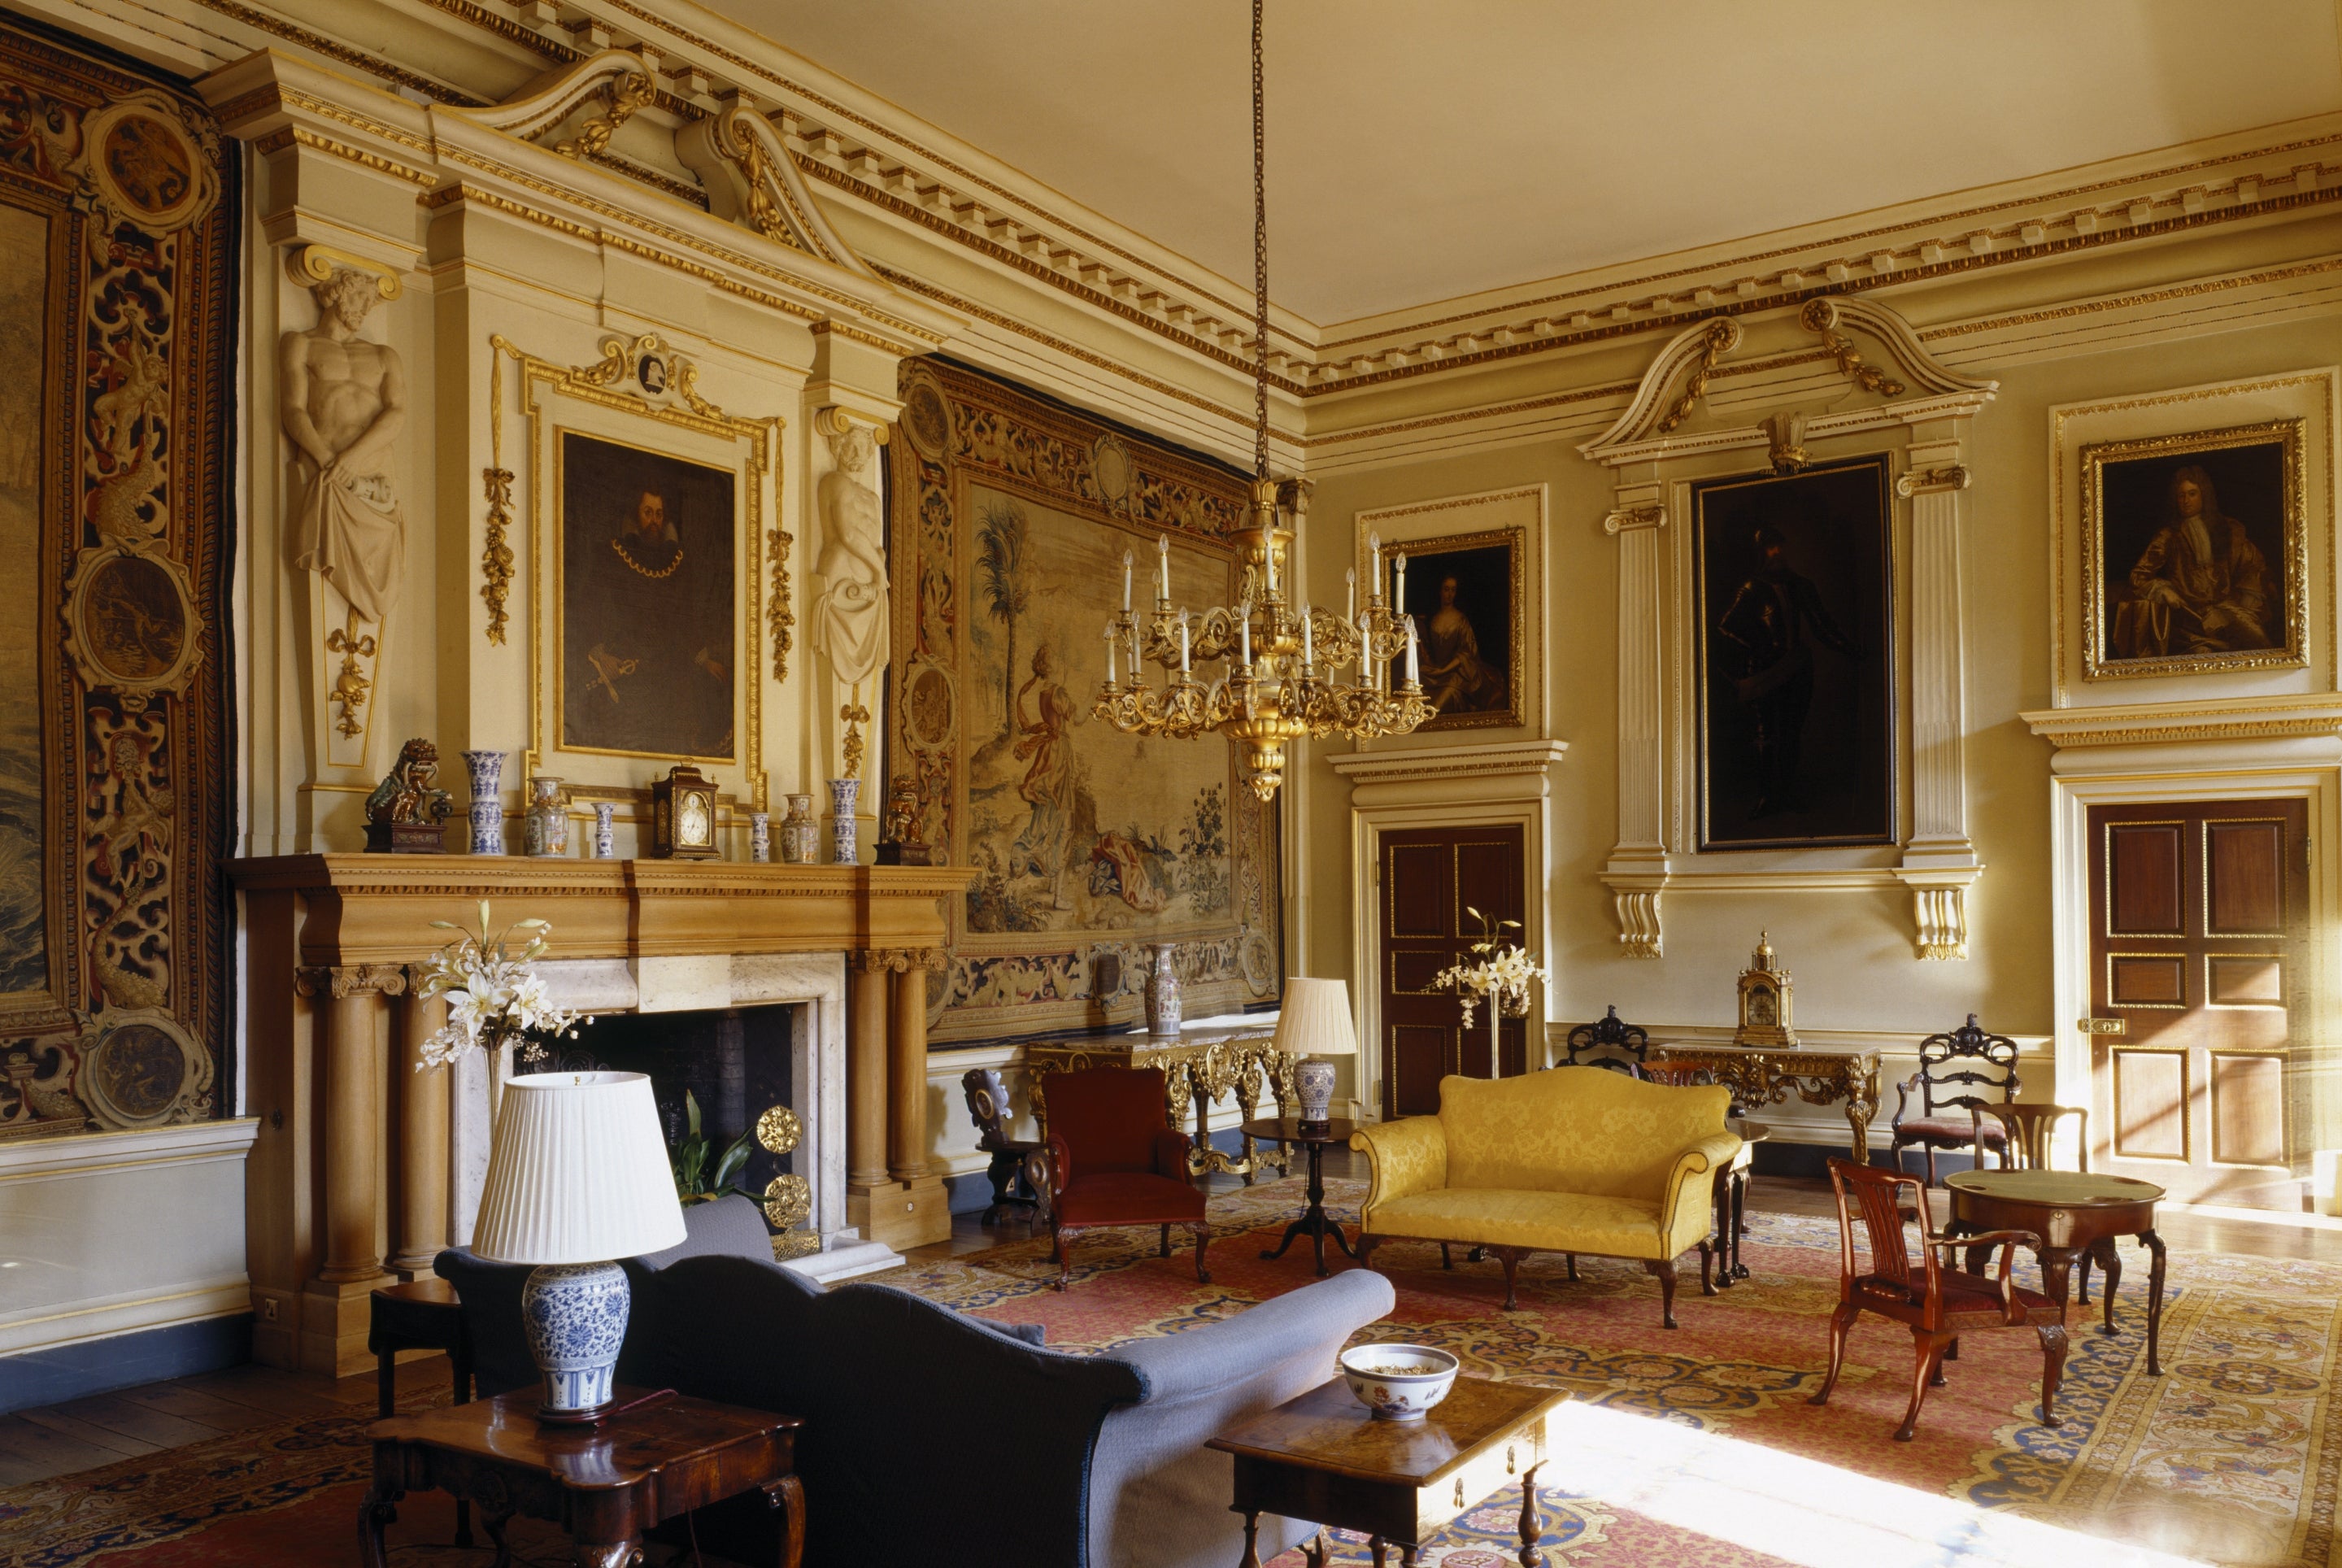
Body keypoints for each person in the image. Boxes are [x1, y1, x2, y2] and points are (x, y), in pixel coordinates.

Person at [564, 486, 733, 757]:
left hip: (671, 661)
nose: (654, 520)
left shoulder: (678, 561)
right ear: (636, 515)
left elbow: (687, 617)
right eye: (647, 512)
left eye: (658, 514)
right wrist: (601, 654)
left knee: (713, 690)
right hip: (624, 658)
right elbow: (590, 606)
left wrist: (703, 658)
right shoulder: (612, 554)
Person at [281, 268, 406, 625]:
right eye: (358, 297)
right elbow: (293, 410)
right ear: (334, 294)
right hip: (328, 474)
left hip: (373, 474)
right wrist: (327, 461)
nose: (365, 307)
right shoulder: (300, 344)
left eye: (370, 300)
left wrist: (351, 459)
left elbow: (397, 413)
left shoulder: (384, 356)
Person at [1714, 525, 1856, 820]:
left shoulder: (1801, 585)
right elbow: (1725, 627)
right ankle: (1767, 797)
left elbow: (1822, 625)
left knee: (1792, 734)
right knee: (1766, 735)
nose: (1777, 552)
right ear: (1761, 552)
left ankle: (1786, 795)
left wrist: (1850, 649)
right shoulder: (1752, 589)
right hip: (1765, 672)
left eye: (1779, 546)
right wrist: (1757, 648)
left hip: (1797, 669)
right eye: (1770, 547)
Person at [2118, 465, 2270, 657]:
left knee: (2258, 642)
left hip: (2228, 609)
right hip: (2190, 617)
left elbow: (2252, 563)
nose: (2186, 501)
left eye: (2192, 494)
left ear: (2203, 495)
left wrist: (2245, 601)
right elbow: (2138, 575)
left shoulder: (2226, 528)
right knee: (2202, 654)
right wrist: (2162, 590)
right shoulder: (2169, 536)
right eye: (2181, 496)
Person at [1010, 645, 1076, 906]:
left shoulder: (1043, 693)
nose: (1061, 662)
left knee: (1053, 817)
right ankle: (1058, 896)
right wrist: (1097, 696)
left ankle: (1051, 886)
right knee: (1065, 821)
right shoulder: (1058, 693)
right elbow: (1077, 717)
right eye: (1058, 658)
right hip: (1058, 755)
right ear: (1051, 666)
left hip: (1051, 753)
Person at [1417, 573, 1507, 713]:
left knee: (1437, 705)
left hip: (1458, 672)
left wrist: (1444, 670)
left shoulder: (1461, 620)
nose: (1449, 594)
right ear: (1440, 591)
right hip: (1436, 671)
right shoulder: (1433, 619)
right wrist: (1435, 668)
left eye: (1453, 590)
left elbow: (1467, 653)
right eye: (1446, 589)